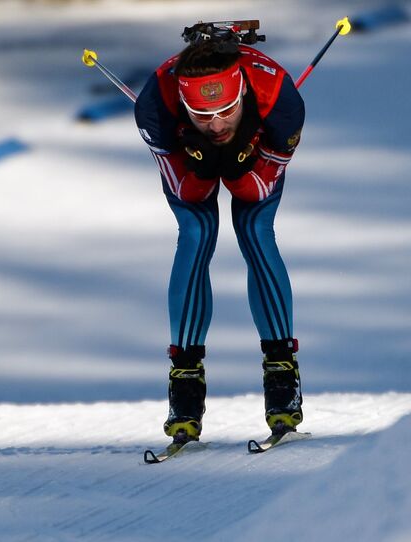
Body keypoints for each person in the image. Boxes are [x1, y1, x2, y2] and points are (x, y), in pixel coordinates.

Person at [134, 26, 305, 447]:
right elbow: (188, 191)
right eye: (202, 115)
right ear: (184, 105)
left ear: (242, 93)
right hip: (186, 156)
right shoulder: (155, 107)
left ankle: (282, 368)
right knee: (196, 230)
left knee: (254, 227)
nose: (215, 124)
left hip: (260, 141)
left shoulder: (281, 100)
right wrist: (205, 163)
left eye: (226, 110)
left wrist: (238, 156)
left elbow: (256, 190)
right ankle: (185, 379)